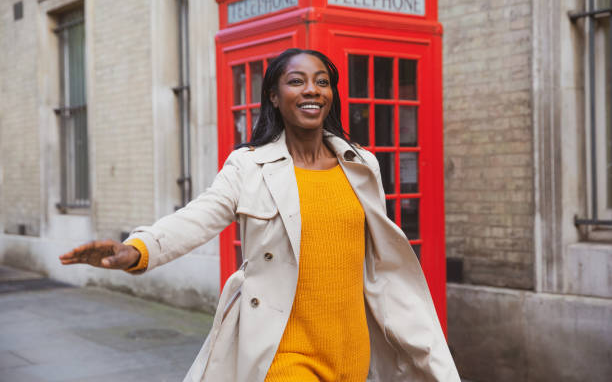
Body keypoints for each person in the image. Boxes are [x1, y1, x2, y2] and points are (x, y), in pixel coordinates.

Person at [59, 48, 460, 382]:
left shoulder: (361, 166)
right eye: (297, 80)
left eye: (322, 81)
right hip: (283, 345)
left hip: (351, 347)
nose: (312, 90)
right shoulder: (249, 166)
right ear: (273, 95)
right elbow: (199, 216)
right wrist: (137, 249)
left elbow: (379, 258)